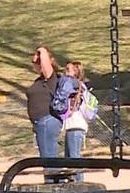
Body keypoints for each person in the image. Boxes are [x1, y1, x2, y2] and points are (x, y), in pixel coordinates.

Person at [25, 46, 64, 184]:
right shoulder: (39, 81)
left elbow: (45, 60)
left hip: (47, 120)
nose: (34, 64)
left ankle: (52, 186)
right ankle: (53, 183)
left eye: (37, 62)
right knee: (47, 156)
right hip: (41, 123)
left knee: (48, 158)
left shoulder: (51, 78)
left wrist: (40, 50)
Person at [61, 61, 90, 182]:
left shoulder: (76, 86)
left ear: (76, 72)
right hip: (71, 126)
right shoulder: (74, 85)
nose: (65, 72)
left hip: (76, 126)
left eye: (69, 69)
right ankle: (73, 183)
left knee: (74, 159)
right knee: (69, 159)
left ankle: (79, 184)